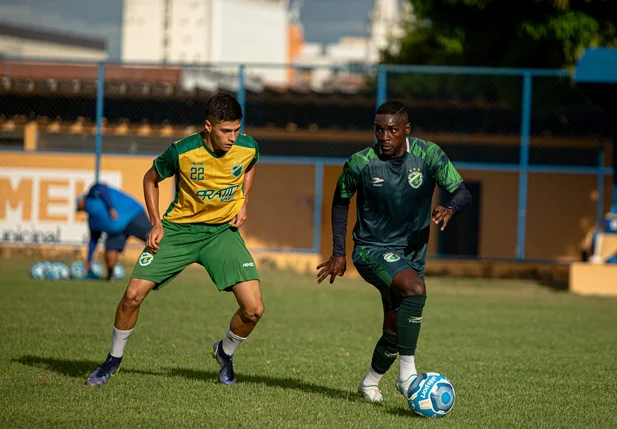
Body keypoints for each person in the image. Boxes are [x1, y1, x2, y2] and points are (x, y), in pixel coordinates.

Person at [86, 93, 264, 387]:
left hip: (221, 233)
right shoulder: (182, 151)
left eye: (237, 130)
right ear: (208, 126)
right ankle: (113, 360)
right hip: (178, 232)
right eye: (225, 131)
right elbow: (150, 178)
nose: (233, 138)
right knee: (131, 296)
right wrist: (156, 223)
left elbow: (251, 164)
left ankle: (225, 353)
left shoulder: (247, 147)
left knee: (254, 309)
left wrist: (243, 201)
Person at [316, 100, 472, 403]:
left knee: (395, 325)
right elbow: (340, 200)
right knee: (415, 290)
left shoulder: (428, 155)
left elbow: (462, 192)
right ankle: (407, 377)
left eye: (392, 130)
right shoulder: (360, 162)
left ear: (406, 131)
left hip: (411, 254)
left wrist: (450, 208)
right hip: (371, 250)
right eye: (379, 130)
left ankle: (370, 383)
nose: (384, 136)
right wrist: (339, 252)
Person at [77, 184, 151, 280]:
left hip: (132, 214)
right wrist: (89, 260)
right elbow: (93, 240)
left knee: (153, 239)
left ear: (82, 200)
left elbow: (102, 188)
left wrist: (110, 207)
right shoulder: (92, 220)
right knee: (110, 249)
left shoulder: (92, 194)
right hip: (117, 231)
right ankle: (110, 277)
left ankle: (166, 265)